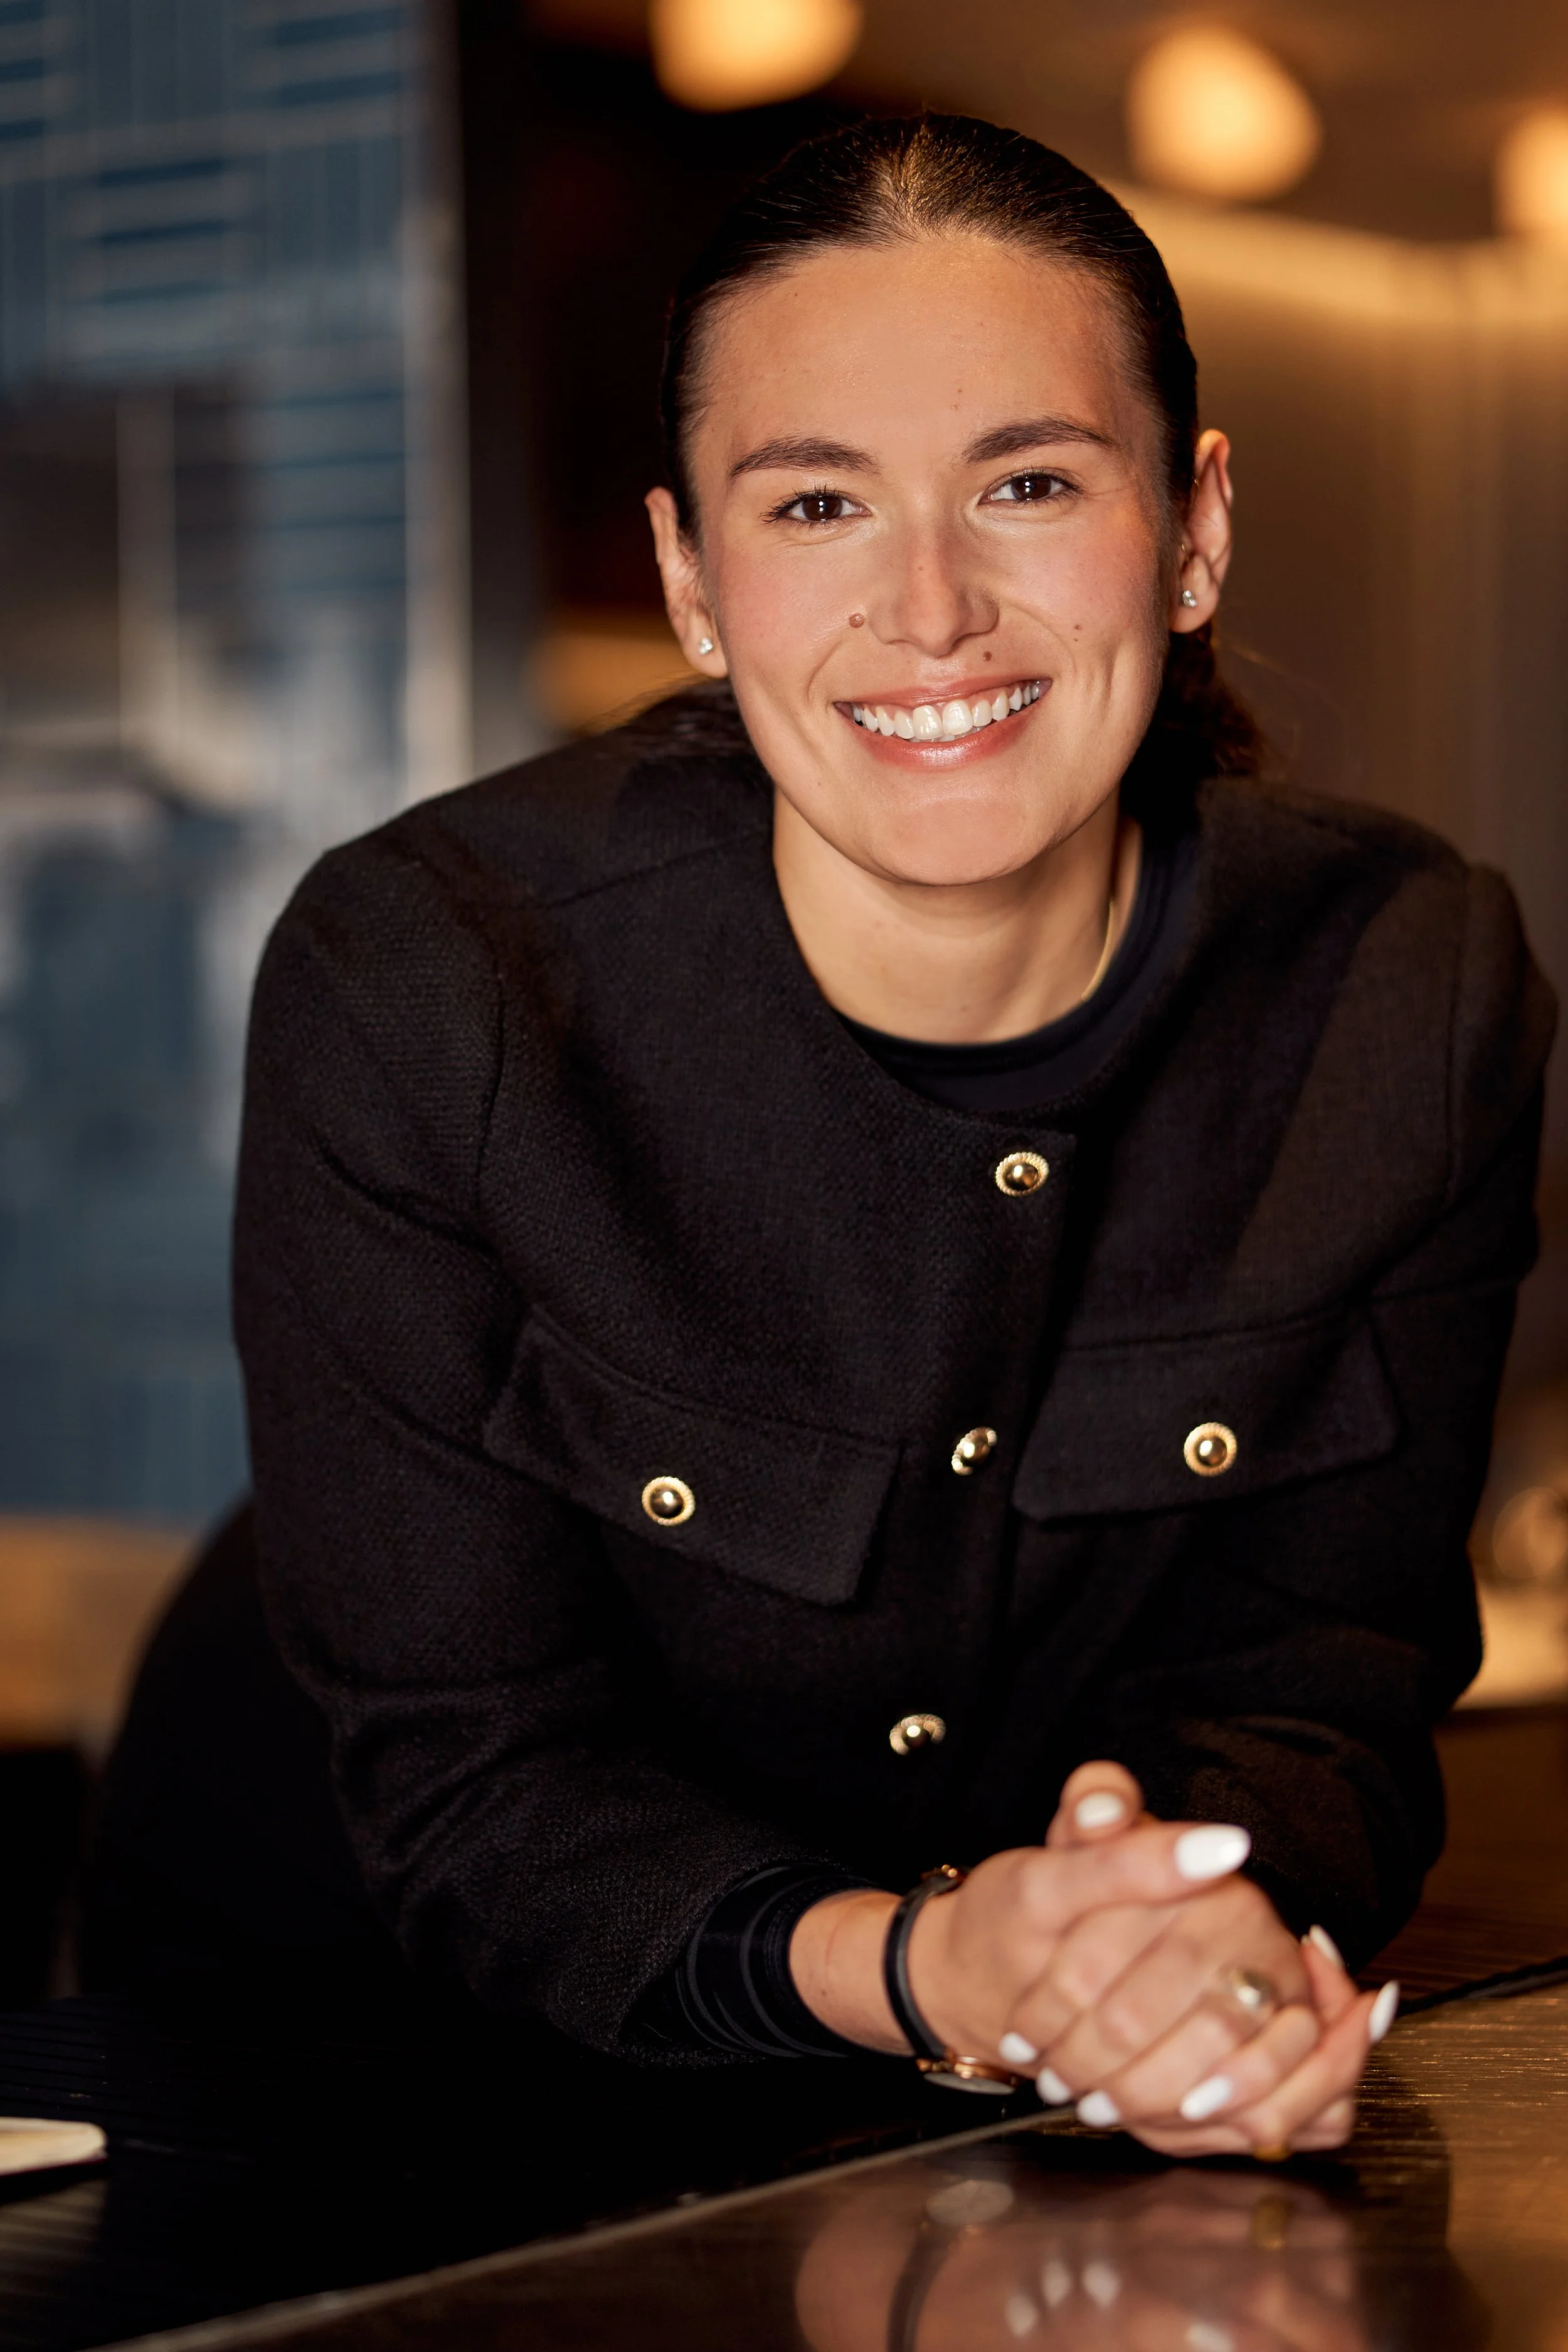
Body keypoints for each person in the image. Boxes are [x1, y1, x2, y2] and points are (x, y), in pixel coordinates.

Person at [87, 115, 1552, 2162]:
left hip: (958, 2123)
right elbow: (475, 1784)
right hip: (345, 2056)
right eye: (816, 505)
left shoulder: (1411, 985)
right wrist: (937, 1964)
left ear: (1194, 530)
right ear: (693, 579)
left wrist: (1180, 1938)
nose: (932, 608)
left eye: (1029, 483)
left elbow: (1321, 1679)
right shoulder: (432, 977)